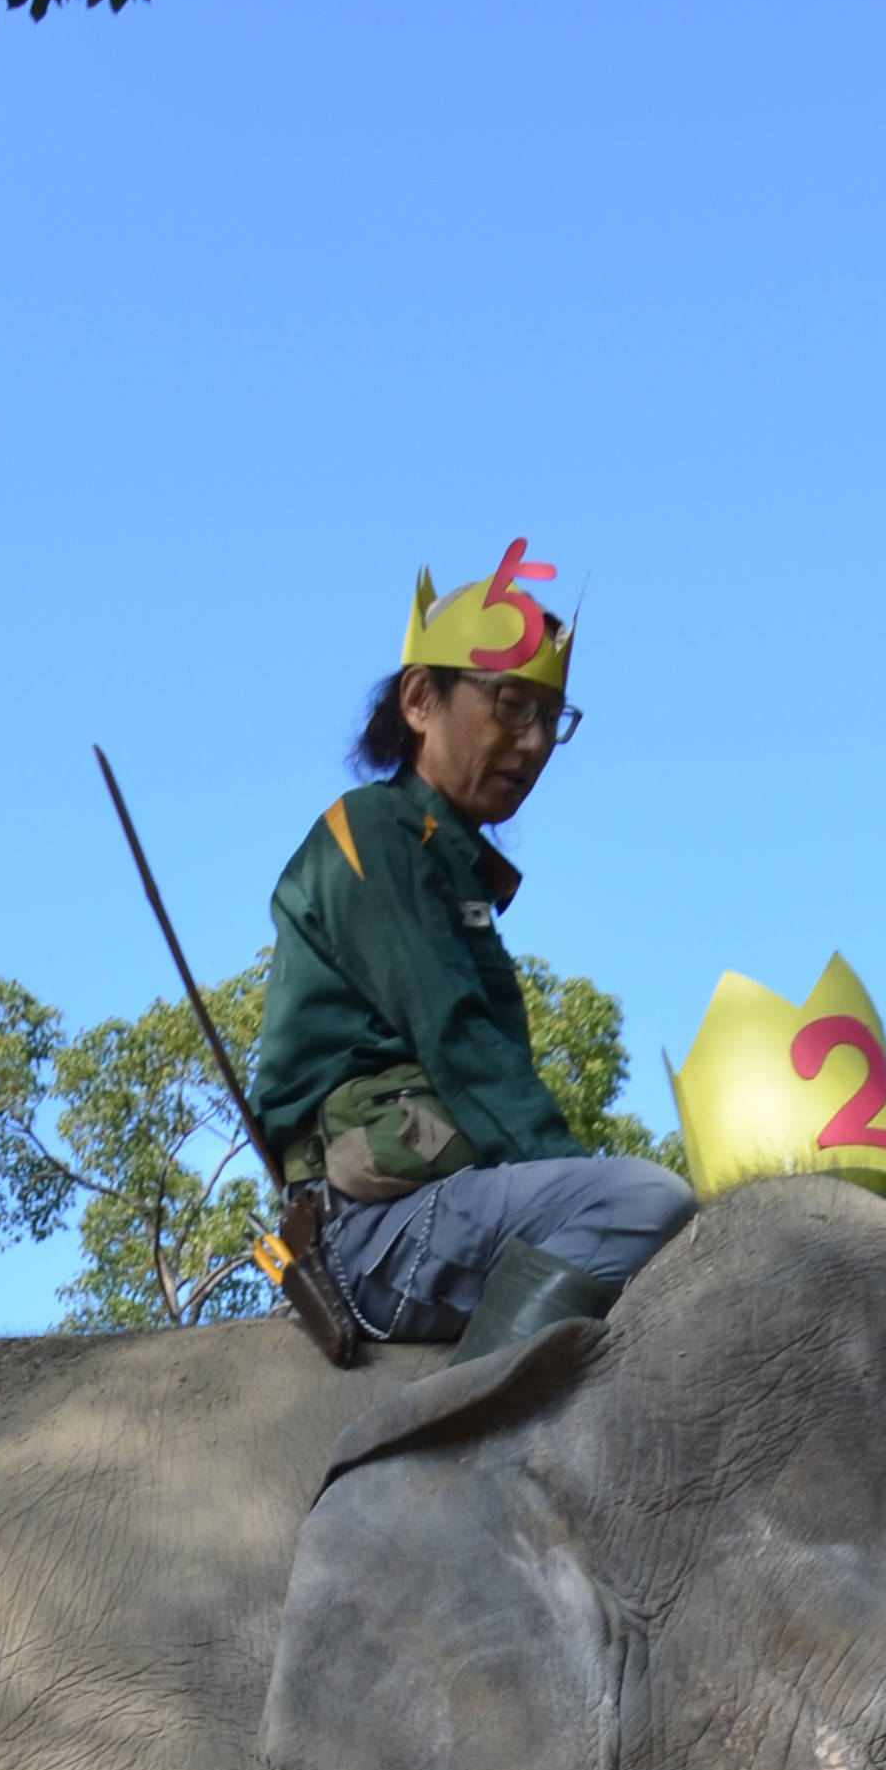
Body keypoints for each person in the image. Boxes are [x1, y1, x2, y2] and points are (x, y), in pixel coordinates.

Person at [247, 540, 695, 1360]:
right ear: (421, 698)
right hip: (373, 1230)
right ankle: (472, 1425)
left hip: (439, 1203)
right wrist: (572, 1177)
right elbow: (458, 1038)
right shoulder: (374, 832)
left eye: (551, 719)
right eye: (511, 706)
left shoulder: (446, 860)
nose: (531, 744)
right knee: (644, 1202)